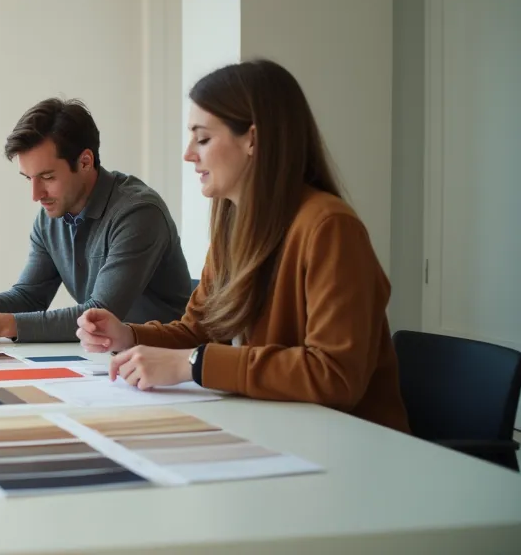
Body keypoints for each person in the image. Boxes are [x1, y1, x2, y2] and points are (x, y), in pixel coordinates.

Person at [78, 59, 409, 432]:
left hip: (353, 444)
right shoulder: (233, 224)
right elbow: (198, 330)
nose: (189, 153)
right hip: (282, 431)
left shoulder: (329, 227)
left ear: (253, 139)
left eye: (203, 138)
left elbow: (333, 375)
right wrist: (128, 335)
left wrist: (194, 364)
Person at [0, 98, 191, 343]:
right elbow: (29, 297)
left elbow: (100, 314)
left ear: (85, 162)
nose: (36, 195)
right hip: (109, 359)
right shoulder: (52, 215)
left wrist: (1, 324)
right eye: (29, 179)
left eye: (47, 177)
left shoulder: (138, 213)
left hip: (166, 361)